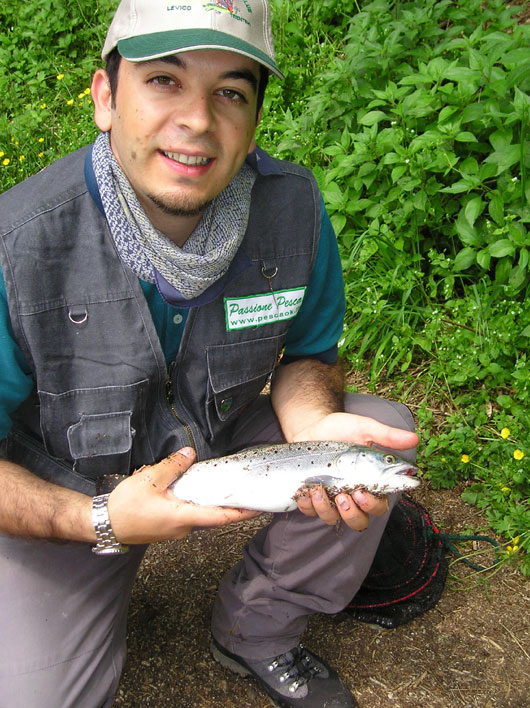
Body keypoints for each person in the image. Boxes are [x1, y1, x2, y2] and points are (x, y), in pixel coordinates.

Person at [0, 1, 418, 707]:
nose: (198, 120)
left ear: (253, 120)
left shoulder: (294, 209)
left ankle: (255, 630)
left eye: (230, 91)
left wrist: (313, 428)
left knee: (377, 444)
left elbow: (309, 355)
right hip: (68, 490)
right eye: (164, 80)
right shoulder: (17, 246)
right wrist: (98, 520)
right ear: (106, 98)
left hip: (219, 443)